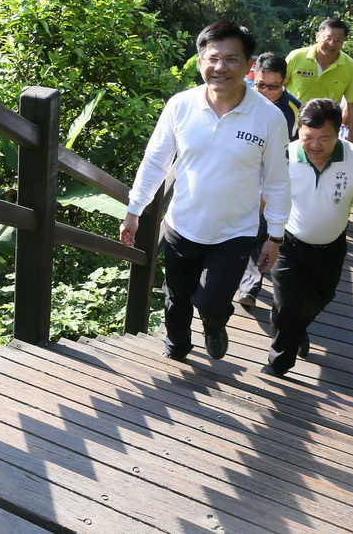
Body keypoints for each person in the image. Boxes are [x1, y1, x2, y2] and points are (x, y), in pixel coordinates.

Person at [120, 21, 290, 362]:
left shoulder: (269, 117)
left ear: (248, 65)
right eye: (213, 58)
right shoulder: (181, 105)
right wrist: (134, 211)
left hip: (235, 232)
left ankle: (214, 324)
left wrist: (275, 235)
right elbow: (155, 162)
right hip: (183, 225)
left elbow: (276, 180)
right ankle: (178, 347)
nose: (220, 68)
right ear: (200, 62)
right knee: (176, 299)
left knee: (212, 303)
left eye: (231, 60)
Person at [263, 98, 353, 377]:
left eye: (324, 138)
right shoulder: (286, 155)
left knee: (319, 299)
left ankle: (297, 330)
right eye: (308, 137)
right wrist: (257, 237)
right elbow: (262, 197)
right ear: (299, 132)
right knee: (285, 306)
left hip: (331, 248)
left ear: (339, 132)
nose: (315, 145)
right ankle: (278, 364)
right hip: (289, 244)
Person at [235, 52, 301, 308]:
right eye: (261, 85)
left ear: (285, 81)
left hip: (271, 176)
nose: (267, 91)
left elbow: (295, 151)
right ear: (254, 77)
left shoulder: (294, 109)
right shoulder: (240, 96)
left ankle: (249, 287)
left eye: (274, 86)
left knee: (259, 228)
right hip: (239, 174)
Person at [285, 18, 353, 142]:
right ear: (317, 36)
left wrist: (352, 137)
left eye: (338, 40)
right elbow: (276, 86)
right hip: (291, 122)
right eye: (327, 38)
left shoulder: (350, 66)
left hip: (325, 129)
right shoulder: (296, 57)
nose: (332, 43)